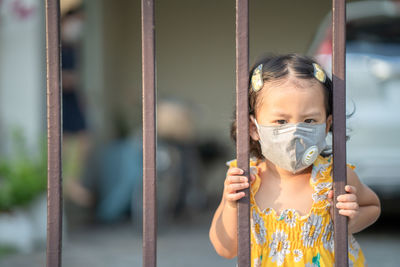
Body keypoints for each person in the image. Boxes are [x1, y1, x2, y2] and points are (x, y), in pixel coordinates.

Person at [209, 54, 380, 266]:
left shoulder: (335, 176)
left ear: (326, 125)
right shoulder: (244, 180)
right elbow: (225, 249)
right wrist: (231, 204)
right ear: (254, 128)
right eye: (281, 121)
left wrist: (351, 220)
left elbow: (372, 206)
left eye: (309, 120)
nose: (295, 132)